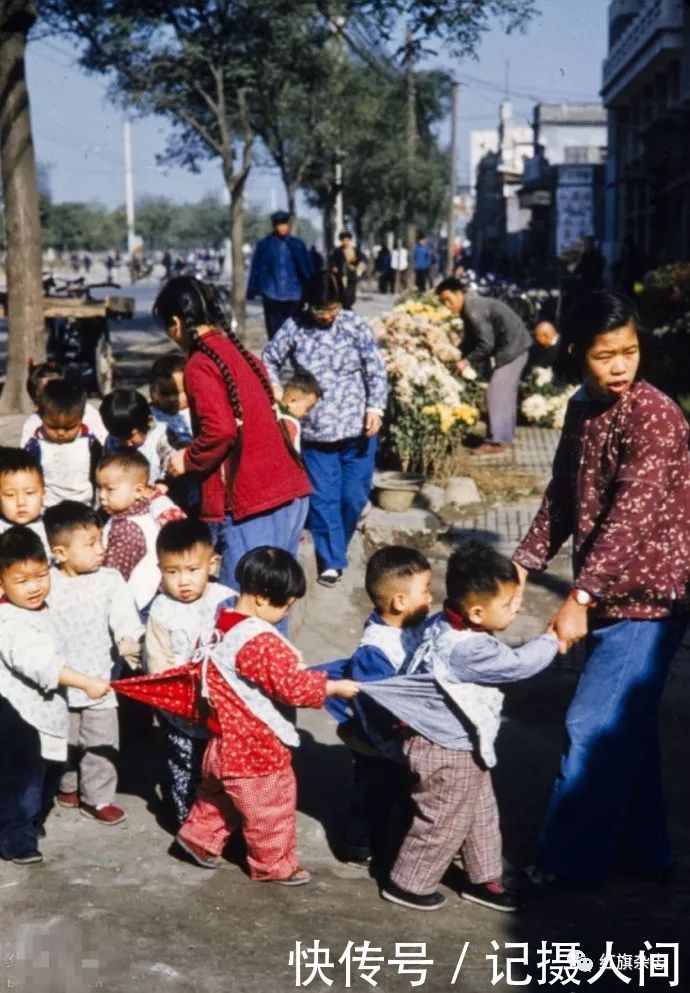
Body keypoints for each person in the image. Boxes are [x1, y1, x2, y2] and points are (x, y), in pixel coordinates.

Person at [512, 290, 690, 891]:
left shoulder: (655, 415)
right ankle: (647, 855)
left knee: (590, 724)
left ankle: (565, 864)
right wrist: (525, 561)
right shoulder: (580, 409)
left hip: (650, 601)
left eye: (630, 352)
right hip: (608, 594)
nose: (620, 366)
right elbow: (563, 493)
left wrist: (578, 598)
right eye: (605, 355)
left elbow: (628, 521)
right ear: (576, 354)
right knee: (624, 729)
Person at [361, 542, 558, 912]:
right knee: (443, 822)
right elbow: (517, 664)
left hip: (460, 745)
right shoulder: (467, 650)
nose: (518, 607)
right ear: (478, 612)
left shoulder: (443, 621)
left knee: (480, 811)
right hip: (445, 750)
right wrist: (552, 640)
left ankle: (483, 878)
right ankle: (408, 883)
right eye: (509, 603)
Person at [175, 547, 359, 881]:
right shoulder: (259, 642)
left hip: (222, 744)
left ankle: (198, 839)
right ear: (261, 598)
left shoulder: (221, 624)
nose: (288, 610)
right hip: (255, 751)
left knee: (218, 799)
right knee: (270, 810)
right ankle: (274, 866)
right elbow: (294, 688)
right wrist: (332, 686)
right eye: (285, 604)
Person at [152, 276, 311, 593]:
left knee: (245, 607)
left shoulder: (200, 365)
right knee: (275, 602)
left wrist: (188, 459)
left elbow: (221, 430)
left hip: (251, 503)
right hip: (288, 492)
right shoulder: (240, 353)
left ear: (176, 323)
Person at [262, 271, 388, 588]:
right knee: (323, 499)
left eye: (332, 307)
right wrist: (276, 391)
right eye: (321, 309)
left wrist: (376, 407)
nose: (327, 315)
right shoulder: (295, 326)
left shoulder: (353, 325)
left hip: (358, 429)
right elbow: (268, 359)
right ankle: (331, 561)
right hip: (316, 432)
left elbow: (375, 368)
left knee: (353, 497)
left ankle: (337, 546)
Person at [316, 546, 433, 869]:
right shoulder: (375, 651)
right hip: (375, 739)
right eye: (425, 591)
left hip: (394, 735)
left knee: (391, 790)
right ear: (399, 602)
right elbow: (375, 708)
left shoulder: (408, 625)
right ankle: (358, 843)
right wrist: (395, 745)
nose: (430, 598)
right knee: (373, 794)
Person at [0, 527, 110, 865]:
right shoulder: (10, 621)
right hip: (21, 718)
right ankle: (15, 838)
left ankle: (28, 821)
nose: (34, 587)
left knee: (48, 773)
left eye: (40, 575)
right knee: (23, 781)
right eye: (22, 580)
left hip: (47, 714)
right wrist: (84, 682)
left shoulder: (41, 609)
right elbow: (41, 664)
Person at [44, 502, 143, 826]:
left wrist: (128, 639)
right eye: (90, 544)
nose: (101, 550)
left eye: (101, 540)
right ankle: (68, 786)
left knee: (101, 742)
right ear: (60, 552)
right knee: (65, 741)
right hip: (59, 683)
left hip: (99, 679)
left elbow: (123, 613)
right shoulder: (46, 583)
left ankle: (98, 797)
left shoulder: (110, 579)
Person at [145, 519, 236, 825]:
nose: (183, 581)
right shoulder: (161, 609)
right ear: (161, 571)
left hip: (220, 707)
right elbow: (157, 661)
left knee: (219, 767)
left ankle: (221, 823)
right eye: (172, 572)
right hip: (179, 710)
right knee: (184, 764)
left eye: (192, 570)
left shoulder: (225, 600)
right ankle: (189, 824)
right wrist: (175, 698)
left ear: (212, 564)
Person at [436, 277, 532, 455]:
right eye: (443, 302)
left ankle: (496, 441)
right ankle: (505, 436)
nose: (447, 305)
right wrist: (455, 353)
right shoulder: (468, 308)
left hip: (514, 348)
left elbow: (486, 344)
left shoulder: (473, 309)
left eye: (448, 300)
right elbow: (472, 339)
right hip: (516, 346)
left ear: (459, 294)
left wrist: (466, 361)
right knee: (505, 393)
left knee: (495, 392)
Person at [96, 449, 185, 616]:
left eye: (110, 489)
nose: (101, 496)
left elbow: (113, 574)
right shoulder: (146, 511)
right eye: (99, 488)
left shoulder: (127, 528)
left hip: (133, 604)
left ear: (138, 490)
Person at [24, 380, 102, 507]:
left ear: (81, 418)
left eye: (69, 428)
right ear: (41, 417)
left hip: (84, 506)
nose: (60, 433)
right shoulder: (35, 447)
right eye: (52, 427)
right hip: (48, 508)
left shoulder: (91, 444)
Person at [246, 210, 314, 340]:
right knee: (274, 331)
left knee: (294, 329)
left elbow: (307, 268)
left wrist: (312, 289)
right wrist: (252, 289)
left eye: (284, 224)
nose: (282, 228)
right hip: (272, 294)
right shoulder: (265, 245)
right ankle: (275, 357)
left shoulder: (297, 244)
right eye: (279, 225)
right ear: (274, 226)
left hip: (294, 294)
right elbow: (256, 268)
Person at [21, 361, 107, 446]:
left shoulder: (87, 413)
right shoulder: (33, 424)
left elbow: (102, 443)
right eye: (45, 394)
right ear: (35, 401)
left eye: (56, 390)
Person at [101, 389, 168, 486]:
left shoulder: (162, 438)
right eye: (120, 438)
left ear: (148, 421)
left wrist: (163, 484)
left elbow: (169, 469)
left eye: (130, 436)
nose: (127, 442)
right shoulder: (112, 441)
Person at [0, 448, 50, 554]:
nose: (21, 502)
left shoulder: (53, 525)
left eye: (30, 493)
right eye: (10, 495)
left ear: (43, 494)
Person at [277, 371, 322, 454]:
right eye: (307, 408)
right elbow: (293, 454)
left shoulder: (271, 411)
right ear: (292, 401)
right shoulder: (291, 424)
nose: (306, 413)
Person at [330, 231, 366, 309]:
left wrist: (359, 268)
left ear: (349, 240)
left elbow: (362, 259)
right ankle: (345, 305)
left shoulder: (355, 250)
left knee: (352, 290)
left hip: (352, 274)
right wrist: (334, 267)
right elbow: (332, 261)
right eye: (343, 240)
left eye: (347, 240)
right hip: (342, 274)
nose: (345, 242)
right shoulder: (338, 251)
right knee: (343, 290)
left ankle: (349, 303)